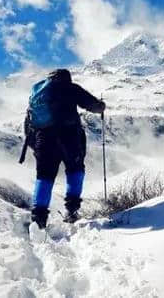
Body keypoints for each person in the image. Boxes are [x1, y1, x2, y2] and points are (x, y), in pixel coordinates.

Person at [21, 69, 105, 229]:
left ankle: (38, 217)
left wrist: (35, 146)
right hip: (69, 137)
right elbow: (92, 105)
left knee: (44, 176)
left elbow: (29, 124)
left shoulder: (38, 95)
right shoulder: (71, 88)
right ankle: (72, 211)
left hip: (43, 140)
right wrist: (101, 106)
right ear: (67, 78)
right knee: (75, 170)